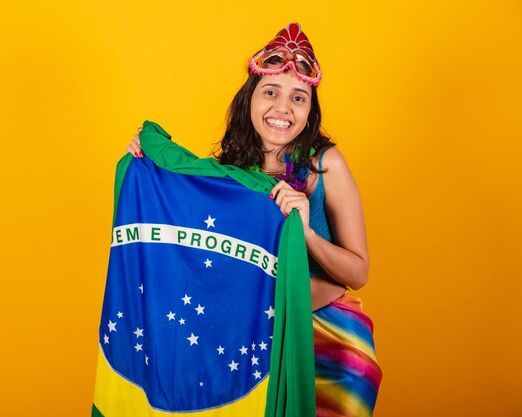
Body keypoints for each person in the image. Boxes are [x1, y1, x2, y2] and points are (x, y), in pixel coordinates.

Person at [126, 22, 381, 417]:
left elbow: (359, 271)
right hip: (253, 336)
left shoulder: (324, 164)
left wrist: (306, 231)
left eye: (299, 97)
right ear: (250, 98)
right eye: (270, 92)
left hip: (327, 342)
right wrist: (149, 161)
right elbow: (186, 205)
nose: (283, 108)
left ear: (311, 109)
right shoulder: (230, 173)